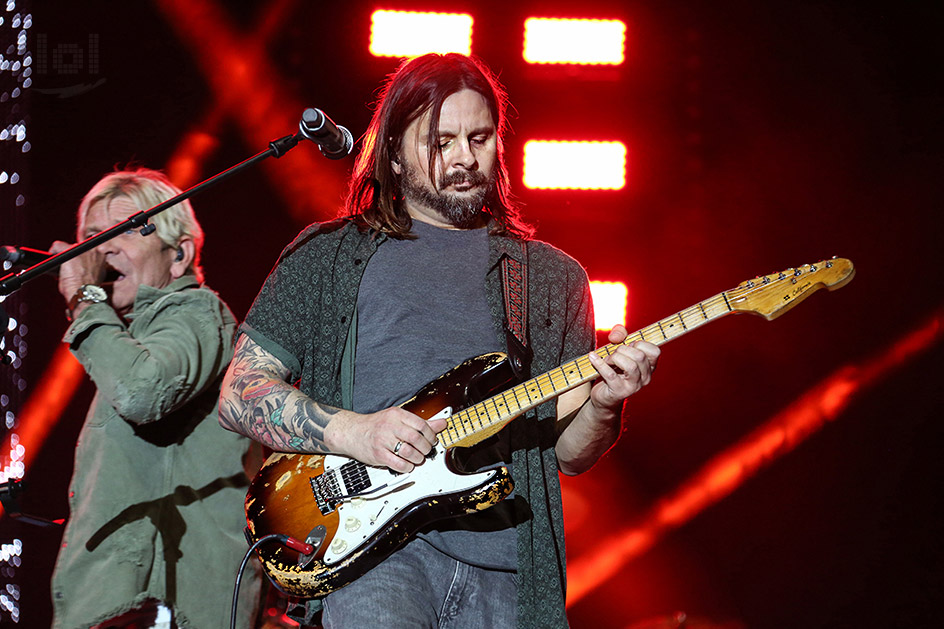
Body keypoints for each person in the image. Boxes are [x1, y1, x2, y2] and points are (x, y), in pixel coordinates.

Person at [218, 53, 660, 628]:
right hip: (373, 561)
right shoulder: (330, 256)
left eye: (479, 139)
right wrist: (357, 431)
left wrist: (605, 402)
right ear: (394, 153)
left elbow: (572, 456)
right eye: (441, 141)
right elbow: (239, 392)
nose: (463, 158)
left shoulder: (552, 279)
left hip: (511, 572)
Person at [48, 168, 260, 628]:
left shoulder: (194, 313)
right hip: (121, 605)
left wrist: (84, 298)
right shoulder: (126, 342)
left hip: (158, 603)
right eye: (90, 237)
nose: (101, 250)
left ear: (179, 254)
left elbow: (143, 392)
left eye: (123, 231)